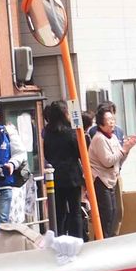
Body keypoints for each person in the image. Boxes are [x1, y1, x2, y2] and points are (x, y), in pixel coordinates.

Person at [87, 106, 136, 237]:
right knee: (106, 214)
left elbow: (119, 159)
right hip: (100, 180)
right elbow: (107, 161)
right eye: (109, 120)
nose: (112, 122)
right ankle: (102, 241)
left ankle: (107, 239)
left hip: (110, 179)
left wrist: (127, 149)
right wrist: (123, 150)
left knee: (113, 212)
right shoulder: (99, 138)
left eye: (113, 119)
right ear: (101, 122)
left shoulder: (113, 137)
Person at [43, 101, 86, 238]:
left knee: (59, 213)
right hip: (72, 176)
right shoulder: (71, 132)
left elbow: (47, 154)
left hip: (55, 177)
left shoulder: (48, 133)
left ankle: (59, 238)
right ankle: (77, 239)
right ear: (64, 114)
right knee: (75, 212)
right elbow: (80, 153)